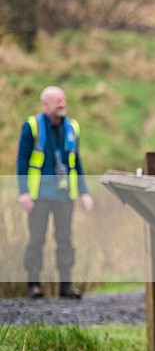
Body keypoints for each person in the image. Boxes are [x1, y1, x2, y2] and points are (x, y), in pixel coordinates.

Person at [17, 86, 93, 300]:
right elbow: (22, 160)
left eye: (64, 100)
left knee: (65, 239)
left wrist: (84, 192)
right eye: (58, 101)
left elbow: (76, 161)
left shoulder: (72, 127)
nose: (62, 104)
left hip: (64, 195)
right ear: (45, 105)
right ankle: (33, 285)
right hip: (38, 195)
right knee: (36, 240)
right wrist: (23, 192)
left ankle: (66, 285)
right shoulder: (32, 126)